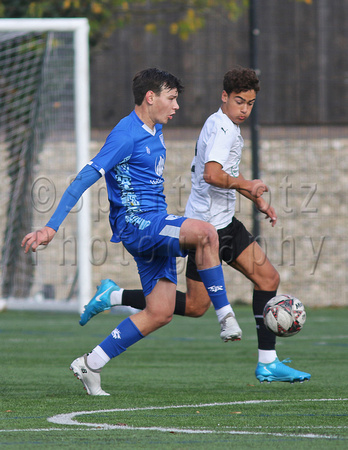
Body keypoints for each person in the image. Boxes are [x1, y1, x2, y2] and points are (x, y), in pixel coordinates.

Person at [22, 68, 256, 396]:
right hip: (138, 226)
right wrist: (51, 226)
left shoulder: (155, 128)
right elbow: (84, 179)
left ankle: (91, 363)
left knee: (159, 312)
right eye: (171, 98)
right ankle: (226, 317)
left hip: (153, 225)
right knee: (206, 234)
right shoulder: (125, 135)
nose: (176, 106)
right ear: (151, 98)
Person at [78, 67, 311, 384]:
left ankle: (115, 297)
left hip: (223, 222)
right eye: (239, 101)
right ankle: (265, 359)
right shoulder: (222, 130)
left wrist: (253, 196)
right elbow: (212, 175)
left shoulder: (224, 125)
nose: (244, 109)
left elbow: (219, 174)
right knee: (255, 282)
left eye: (251, 103)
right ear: (224, 97)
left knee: (205, 301)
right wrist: (247, 183)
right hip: (209, 227)